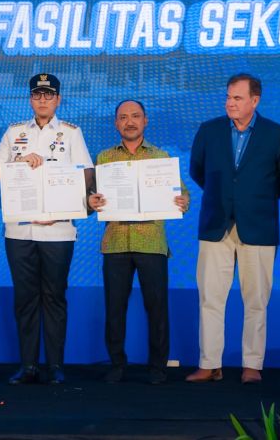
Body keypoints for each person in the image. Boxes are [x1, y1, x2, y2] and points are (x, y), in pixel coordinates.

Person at [186, 74, 280, 385]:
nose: (230, 103)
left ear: (255, 101)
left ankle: (252, 364)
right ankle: (209, 364)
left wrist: (253, 199)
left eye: (237, 98)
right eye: (228, 97)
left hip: (258, 226)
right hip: (215, 225)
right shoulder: (209, 131)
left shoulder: (276, 134)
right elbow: (198, 171)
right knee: (210, 298)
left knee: (256, 300)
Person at [0, 73, 94, 385]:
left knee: (54, 296)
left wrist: (67, 199)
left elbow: (87, 173)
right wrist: (20, 162)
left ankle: (56, 366)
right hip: (19, 231)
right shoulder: (14, 131)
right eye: (38, 95)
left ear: (58, 99)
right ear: (30, 99)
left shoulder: (72, 133)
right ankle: (28, 365)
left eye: (49, 95)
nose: (43, 100)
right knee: (24, 298)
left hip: (58, 230)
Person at [87, 100, 189, 385]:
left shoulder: (161, 156)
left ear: (145, 121)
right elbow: (91, 198)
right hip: (115, 242)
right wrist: (91, 200)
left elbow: (183, 195)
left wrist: (183, 201)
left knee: (156, 308)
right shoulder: (104, 158)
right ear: (116, 123)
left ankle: (157, 367)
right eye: (123, 117)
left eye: (135, 116)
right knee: (114, 307)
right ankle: (117, 364)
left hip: (151, 243)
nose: (129, 122)